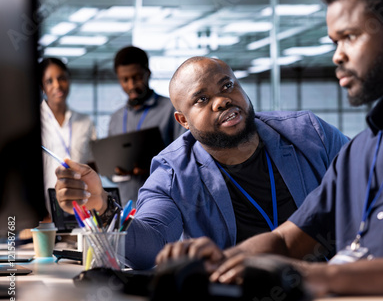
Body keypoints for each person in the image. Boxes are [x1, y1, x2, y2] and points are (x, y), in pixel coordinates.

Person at [155, 0, 383, 301]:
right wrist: (224, 261)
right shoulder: (364, 148)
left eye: (350, 37)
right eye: (335, 42)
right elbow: (287, 242)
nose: (337, 55)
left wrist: (325, 277)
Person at [54, 57, 350, 270]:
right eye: (201, 99)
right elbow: (150, 247)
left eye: (227, 85)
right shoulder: (172, 173)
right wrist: (104, 209)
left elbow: (370, 180)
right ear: (183, 121)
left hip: (333, 284)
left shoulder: (309, 134)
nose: (221, 101)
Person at [108, 46, 185, 207]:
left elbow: (185, 160)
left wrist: (151, 167)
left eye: (137, 77)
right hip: (124, 207)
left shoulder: (171, 110)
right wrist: (114, 169)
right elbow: (110, 172)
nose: (131, 85)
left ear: (148, 73)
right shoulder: (116, 118)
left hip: (162, 204)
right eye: (125, 79)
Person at [39, 57, 96, 218]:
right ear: (42, 87)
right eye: (49, 81)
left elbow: (93, 166)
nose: (57, 85)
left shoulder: (85, 122)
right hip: (43, 211)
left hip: (81, 208)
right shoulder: (32, 122)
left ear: (69, 80)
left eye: (62, 78)